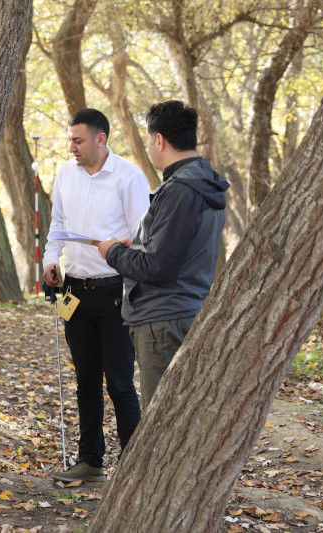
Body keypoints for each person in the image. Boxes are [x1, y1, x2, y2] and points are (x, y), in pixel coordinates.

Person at [95, 100, 230, 407]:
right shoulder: (204, 184)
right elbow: (176, 251)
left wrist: (113, 251)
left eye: (149, 139)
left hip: (162, 322)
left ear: (159, 140)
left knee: (160, 420)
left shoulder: (179, 190)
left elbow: (158, 268)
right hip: (182, 313)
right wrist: (139, 246)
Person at [43, 108, 149, 483]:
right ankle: (90, 462)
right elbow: (57, 225)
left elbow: (144, 236)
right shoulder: (64, 173)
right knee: (86, 381)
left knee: (119, 382)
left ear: (101, 139)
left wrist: (123, 247)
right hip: (75, 292)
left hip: (116, 292)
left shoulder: (129, 176)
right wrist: (50, 260)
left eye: (78, 140)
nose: (71, 146)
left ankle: (135, 467)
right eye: (69, 138)